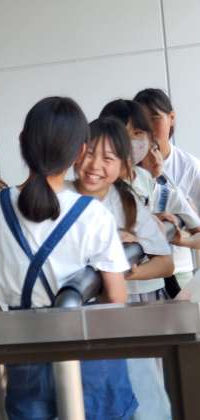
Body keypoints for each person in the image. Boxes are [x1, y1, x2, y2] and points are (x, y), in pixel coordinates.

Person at [0, 96, 137, 420]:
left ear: (22, 141)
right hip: (89, 353)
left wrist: (15, 333)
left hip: (26, 350)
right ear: (80, 152)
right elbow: (116, 297)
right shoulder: (93, 214)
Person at [73, 117, 173, 419]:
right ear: (75, 152)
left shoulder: (126, 202)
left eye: (108, 158)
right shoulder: (58, 198)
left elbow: (165, 262)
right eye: (90, 153)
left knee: (142, 401)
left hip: (119, 320)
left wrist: (121, 270)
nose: (95, 165)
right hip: (70, 323)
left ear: (122, 165)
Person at [139, 137, 200, 293]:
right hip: (128, 286)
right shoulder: (118, 194)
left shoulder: (168, 192)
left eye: (155, 149)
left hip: (160, 281)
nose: (155, 157)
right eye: (145, 153)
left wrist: (180, 239)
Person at [134, 88, 200, 213]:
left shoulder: (191, 168)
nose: (148, 127)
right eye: (142, 121)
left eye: (154, 118)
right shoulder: (127, 167)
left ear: (171, 118)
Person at [99, 99, 156, 208]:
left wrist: (155, 216)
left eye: (138, 133)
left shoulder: (144, 177)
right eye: (122, 134)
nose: (131, 141)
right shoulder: (99, 182)